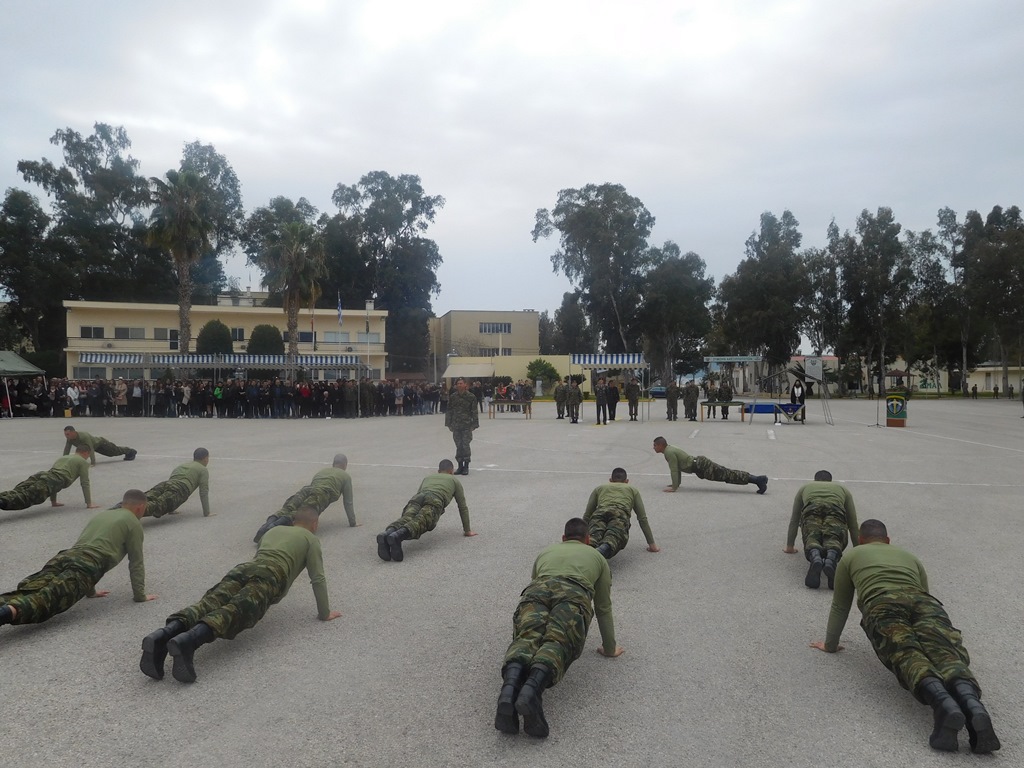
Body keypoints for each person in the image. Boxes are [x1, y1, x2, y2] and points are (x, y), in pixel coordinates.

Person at [811, 519, 999, 754]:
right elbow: (925, 593)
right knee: (944, 650)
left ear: (860, 541)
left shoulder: (851, 556)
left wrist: (830, 644)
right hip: (924, 603)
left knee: (906, 652)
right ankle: (973, 706)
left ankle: (943, 704)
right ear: (888, 540)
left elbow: (841, 605)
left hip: (882, 602)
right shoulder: (910, 557)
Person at [140, 505, 341, 683]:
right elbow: (318, 578)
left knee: (209, 602)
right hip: (272, 574)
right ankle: (189, 641)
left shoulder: (275, 530)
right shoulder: (311, 539)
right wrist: (325, 613)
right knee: (235, 610)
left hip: (245, 568)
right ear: (314, 523)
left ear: (294, 520)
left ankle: (162, 635)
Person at [494, 517, 623, 738]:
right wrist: (610, 647)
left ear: (564, 538)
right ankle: (532, 691)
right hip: (573, 594)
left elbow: (537, 581)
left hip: (536, 591)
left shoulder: (546, 552)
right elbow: (603, 607)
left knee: (527, 636)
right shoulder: (597, 557)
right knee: (557, 640)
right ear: (587, 539)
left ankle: (508, 691)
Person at [0, 490, 156, 629]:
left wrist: (90, 590)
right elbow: (136, 562)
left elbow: (89, 547)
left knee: (29, 590)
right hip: (88, 564)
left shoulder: (104, 514)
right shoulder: (133, 523)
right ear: (140, 507)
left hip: (64, 556)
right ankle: (5, 614)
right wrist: (140, 596)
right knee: (45, 601)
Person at [375, 459, 476, 562]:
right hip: (435, 498)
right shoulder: (454, 480)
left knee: (407, 518)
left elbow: (419, 493)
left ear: (438, 471)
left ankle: (387, 533)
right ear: (451, 471)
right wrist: (467, 530)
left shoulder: (428, 478)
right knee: (420, 521)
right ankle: (397, 537)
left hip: (418, 497)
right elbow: (462, 507)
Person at [253, 453, 358, 542]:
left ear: (333, 463)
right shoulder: (345, 476)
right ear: (345, 465)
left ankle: (267, 525)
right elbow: (348, 502)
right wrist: (352, 522)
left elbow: (314, 485)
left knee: (287, 508)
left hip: (307, 489)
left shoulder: (322, 471)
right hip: (322, 494)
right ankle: (273, 529)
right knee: (301, 513)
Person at [784, 470, 858, 589]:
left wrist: (790, 546)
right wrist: (858, 550)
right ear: (830, 481)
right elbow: (853, 523)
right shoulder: (842, 489)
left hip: (812, 508)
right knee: (834, 535)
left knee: (812, 534)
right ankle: (831, 557)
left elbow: (794, 519)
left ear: (815, 480)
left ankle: (815, 556)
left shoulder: (805, 488)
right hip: (835, 508)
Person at [583, 468, 659, 558]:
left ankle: (588, 551)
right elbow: (642, 518)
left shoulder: (599, 488)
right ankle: (602, 550)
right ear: (627, 481)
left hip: (600, 512)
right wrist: (652, 544)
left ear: (610, 480)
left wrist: (580, 539)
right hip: (619, 514)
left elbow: (587, 515)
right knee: (613, 536)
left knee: (594, 534)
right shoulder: (632, 490)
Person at [653, 436, 768, 494]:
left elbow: (674, 470)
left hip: (701, 466)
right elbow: (677, 469)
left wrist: (673, 488)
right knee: (727, 473)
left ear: (660, 445)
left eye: (655, 445)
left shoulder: (668, 453)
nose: (653, 448)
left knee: (728, 475)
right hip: (700, 464)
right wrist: (676, 484)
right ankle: (758, 479)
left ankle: (758, 480)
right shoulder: (669, 449)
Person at [0, 447, 99, 511]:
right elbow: (85, 482)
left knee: (18, 491)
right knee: (26, 498)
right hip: (55, 479)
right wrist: (89, 503)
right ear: (86, 453)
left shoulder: (64, 457)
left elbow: (53, 477)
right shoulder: (83, 462)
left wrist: (53, 501)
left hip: (43, 474)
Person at [144, 448, 212, 519]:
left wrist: (171, 508)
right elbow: (203, 491)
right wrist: (207, 512)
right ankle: (134, 512)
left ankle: (132, 503)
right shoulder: (203, 470)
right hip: (181, 488)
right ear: (205, 458)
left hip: (166, 483)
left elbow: (172, 479)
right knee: (156, 505)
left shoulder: (183, 465)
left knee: (145, 497)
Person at [445, 378, 480, 475]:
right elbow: (449, 410)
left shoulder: (471, 397)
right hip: (456, 425)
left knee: (465, 445)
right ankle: (460, 466)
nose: (459, 385)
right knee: (458, 445)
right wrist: (448, 424)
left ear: (465, 385)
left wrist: (474, 424)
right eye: (458, 384)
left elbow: (474, 411)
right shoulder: (453, 397)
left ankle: (466, 466)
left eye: (461, 383)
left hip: (466, 425)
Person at [62, 425, 136, 465]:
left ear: (74, 432)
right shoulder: (69, 439)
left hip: (101, 443)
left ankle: (131, 451)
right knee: (111, 454)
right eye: (65, 434)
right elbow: (66, 450)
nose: (66, 436)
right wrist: (63, 461)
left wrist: (93, 463)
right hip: (96, 447)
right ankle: (129, 452)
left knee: (115, 451)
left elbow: (90, 449)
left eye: (68, 434)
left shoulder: (84, 436)